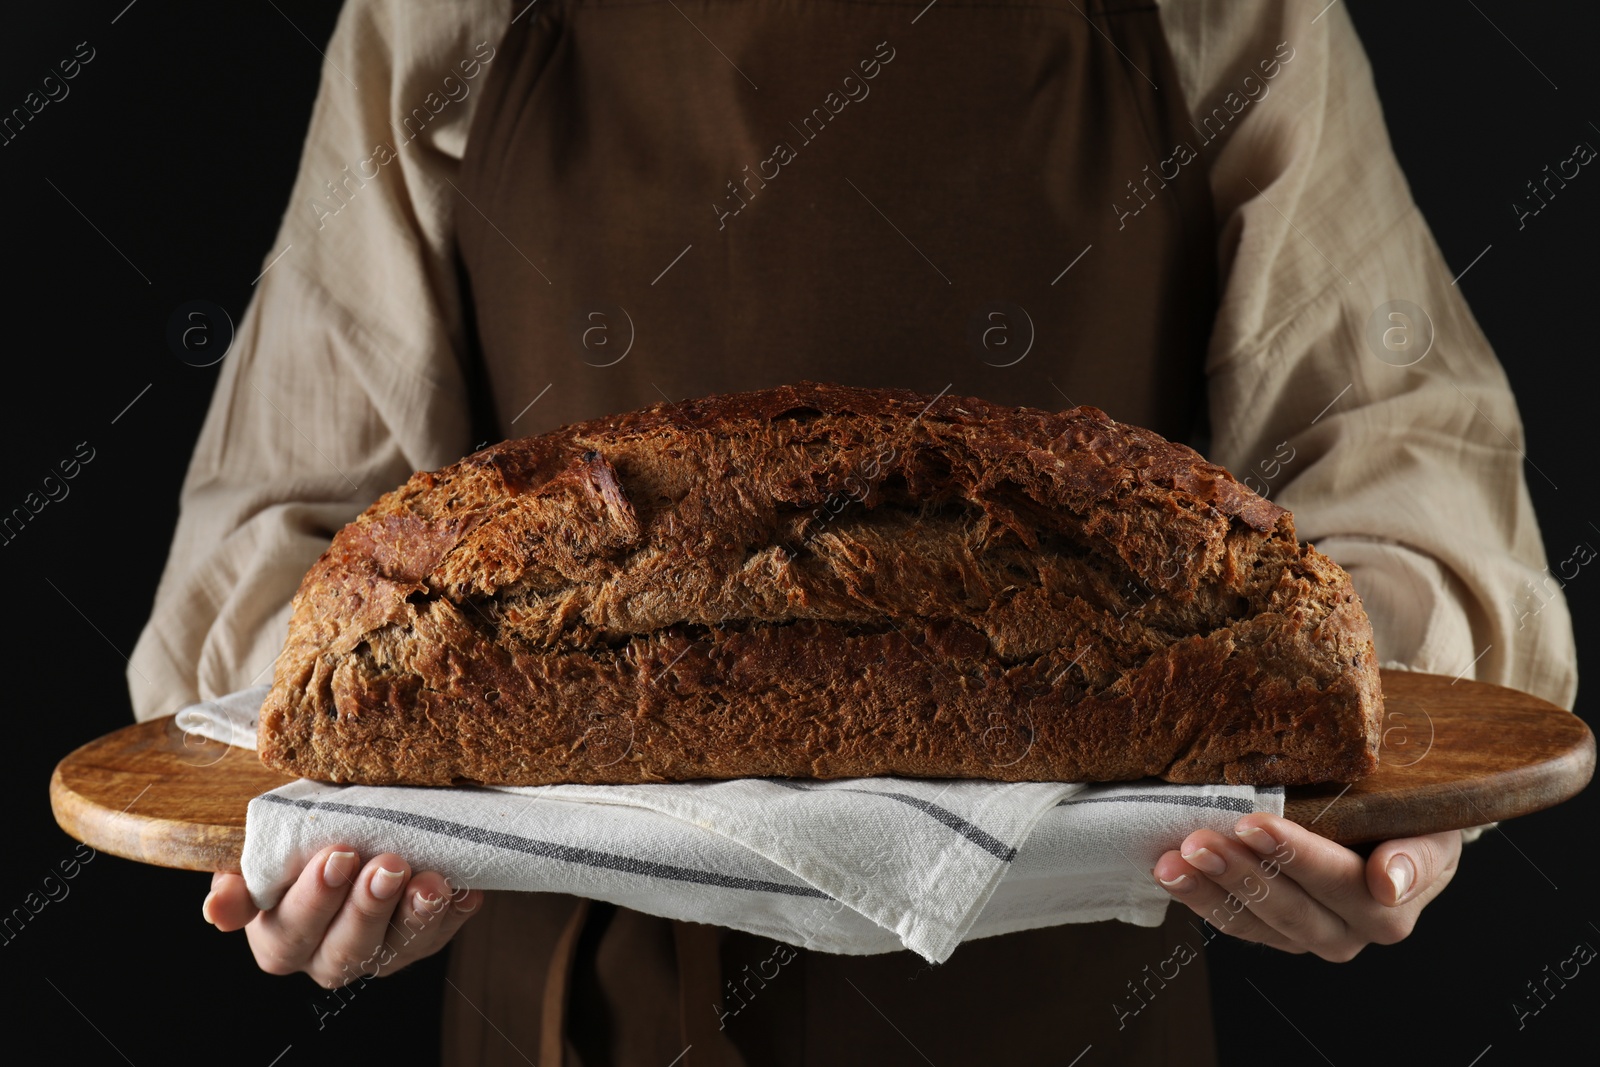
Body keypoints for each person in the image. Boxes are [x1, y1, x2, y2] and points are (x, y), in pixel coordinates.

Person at [131, 0, 1578, 1063]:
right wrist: (334, 827)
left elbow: (1400, 450)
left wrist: (1368, 790)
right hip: (572, 1021)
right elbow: (286, 517)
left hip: (1060, 1020)